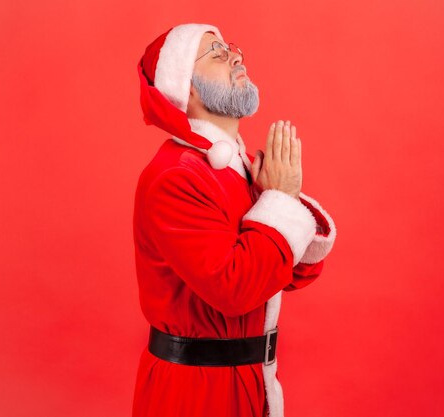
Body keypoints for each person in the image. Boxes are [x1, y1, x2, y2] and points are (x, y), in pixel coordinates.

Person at [132, 23, 337, 417]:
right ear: (186, 86)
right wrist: (278, 199)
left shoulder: (236, 173)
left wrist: (281, 199)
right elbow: (235, 289)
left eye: (231, 48)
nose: (236, 56)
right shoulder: (175, 176)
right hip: (192, 393)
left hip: (248, 380)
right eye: (216, 53)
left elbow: (293, 273)